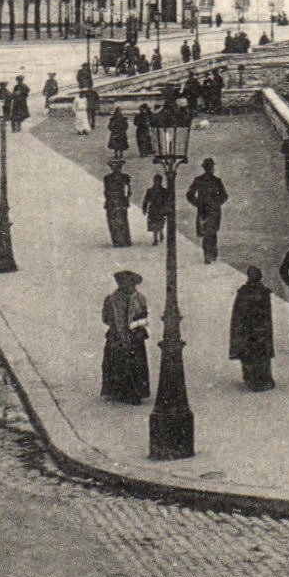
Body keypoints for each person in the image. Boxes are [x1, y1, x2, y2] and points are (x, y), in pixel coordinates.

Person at [100, 270, 151, 404]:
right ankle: (119, 391)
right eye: (123, 284)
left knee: (134, 364)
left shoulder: (140, 299)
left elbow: (144, 317)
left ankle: (134, 392)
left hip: (134, 336)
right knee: (118, 363)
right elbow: (105, 318)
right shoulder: (111, 299)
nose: (127, 287)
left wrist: (134, 328)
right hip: (117, 335)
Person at [228, 267, 276, 392]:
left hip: (247, 328)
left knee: (249, 352)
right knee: (261, 353)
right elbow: (266, 314)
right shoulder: (263, 292)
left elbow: (238, 313)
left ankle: (251, 378)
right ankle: (262, 379)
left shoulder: (243, 292)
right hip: (260, 328)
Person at [184, 157, 229, 264]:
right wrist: (199, 203)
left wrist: (214, 203)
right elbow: (190, 194)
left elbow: (224, 195)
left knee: (210, 233)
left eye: (210, 167)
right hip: (206, 211)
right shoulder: (200, 180)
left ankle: (211, 253)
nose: (210, 169)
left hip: (209, 211)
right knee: (208, 233)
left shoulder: (216, 181)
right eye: (209, 167)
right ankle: (208, 255)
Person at [102, 159, 133, 248]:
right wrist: (107, 200)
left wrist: (126, 200)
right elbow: (106, 190)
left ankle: (125, 240)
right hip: (111, 201)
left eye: (117, 167)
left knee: (122, 221)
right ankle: (116, 241)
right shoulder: (107, 178)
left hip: (120, 200)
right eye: (113, 167)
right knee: (112, 221)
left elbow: (128, 190)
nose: (116, 169)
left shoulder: (125, 177)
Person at [142, 173, 171, 246]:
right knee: (154, 225)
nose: (157, 182)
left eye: (158, 180)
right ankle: (155, 238)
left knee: (160, 223)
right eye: (155, 180)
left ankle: (160, 233)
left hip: (161, 209)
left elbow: (167, 200)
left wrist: (167, 209)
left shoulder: (164, 191)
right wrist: (144, 209)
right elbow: (146, 200)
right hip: (153, 209)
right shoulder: (150, 190)